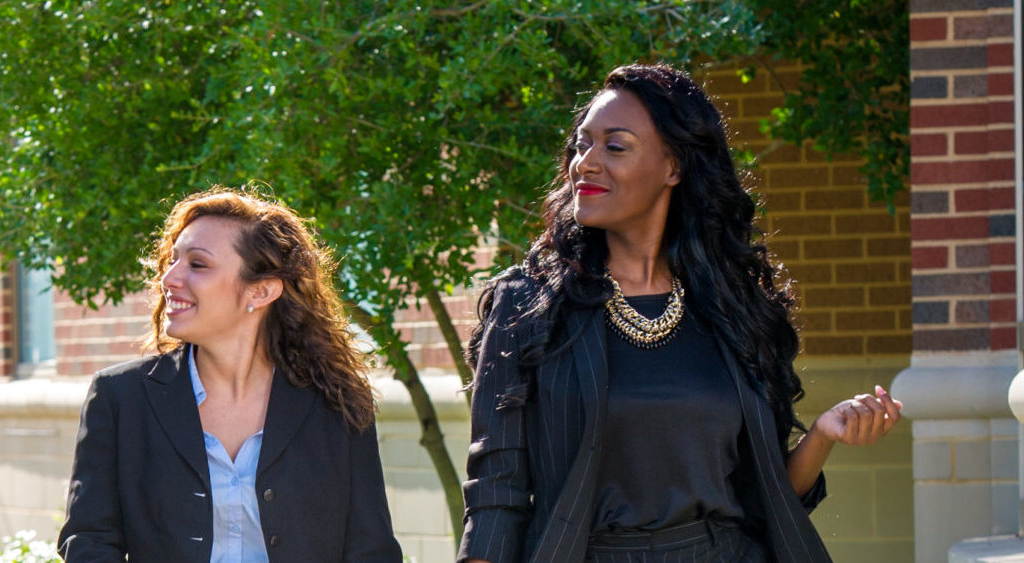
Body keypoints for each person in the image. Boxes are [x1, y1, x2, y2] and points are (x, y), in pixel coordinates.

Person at [458, 64, 904, 563]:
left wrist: (823, 434)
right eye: (582, 144)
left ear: (674, 167)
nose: (585, 162)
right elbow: (496, 495)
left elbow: (763, 501)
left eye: (615, 146)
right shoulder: (529, 305)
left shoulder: (732, 305)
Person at [58, 188, 402, 562]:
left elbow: (372, 550)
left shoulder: (335, 403)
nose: (169, 278)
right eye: (172, 261)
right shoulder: (120, 398)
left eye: (198, 264)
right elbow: (89, 542)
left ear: (261, 291)